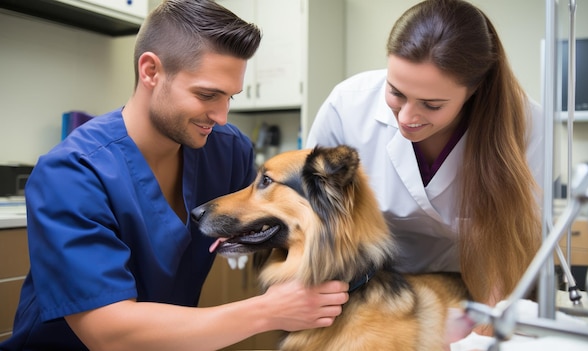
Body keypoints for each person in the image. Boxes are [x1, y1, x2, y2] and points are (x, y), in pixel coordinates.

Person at [0, 1, 348, 350]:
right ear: (151, 71)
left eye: (229, 97)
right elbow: (108, 332)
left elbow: (285, 223)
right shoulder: (72, 173)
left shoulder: (227, 151)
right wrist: (268, 311)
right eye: (207, 94)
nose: (222, 116)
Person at [306, 0, 543, 310]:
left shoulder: (527, 125)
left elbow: (511, 241)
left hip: (471, 287)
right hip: (366, 284)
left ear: (474, 91)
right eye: (395, 93)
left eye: (432, 105)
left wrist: (489, 323)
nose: (406, 117)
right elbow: (308, 210)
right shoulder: (347, 105)